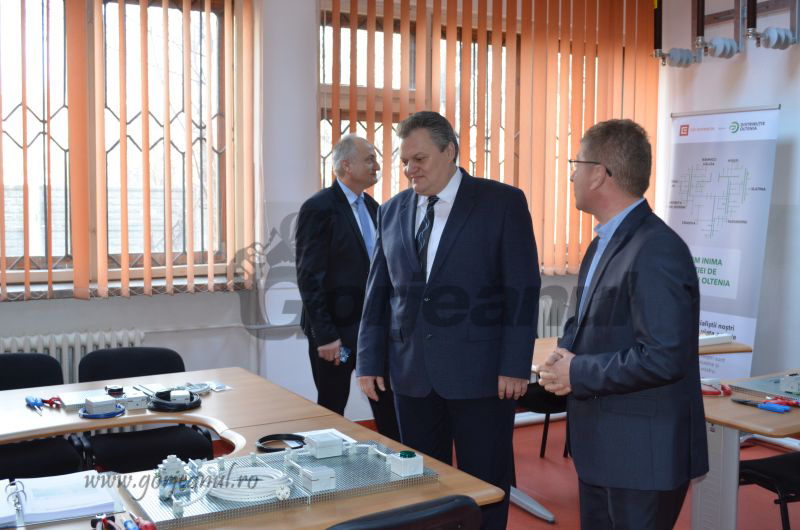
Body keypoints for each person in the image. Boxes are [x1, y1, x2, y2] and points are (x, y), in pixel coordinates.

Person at [356, 111, 540, 529]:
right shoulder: (392, 211)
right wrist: (368, 361)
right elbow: (377, 293)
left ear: (450, 151)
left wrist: (515, 365)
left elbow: (522, 289)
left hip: (482, 376)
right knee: (422, 483)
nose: (410, 169)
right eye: (405, 161)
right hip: (411, 376)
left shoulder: (501, 203)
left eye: (419, 159)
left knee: (485, 481)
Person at [537, 119, 708, 530]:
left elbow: (664, 357)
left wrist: (577, 371)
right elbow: (587, 321)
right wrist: (562, 356)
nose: (572, 176)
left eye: (577, 164)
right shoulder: (604, 241)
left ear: (599, 174)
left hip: (642, 456)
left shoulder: (656, 249)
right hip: (603, 446)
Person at [295, 134, 399, 440]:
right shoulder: (319, 208)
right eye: (369, 159)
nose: (377, 165)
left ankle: (398, 462)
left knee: (388, 405)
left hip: (373, 330)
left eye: (376, 159)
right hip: (335, 332)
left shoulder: (375, 208)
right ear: (345, 165)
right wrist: (326, 335)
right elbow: (309, 276)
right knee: (332, 408)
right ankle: (326, 467)